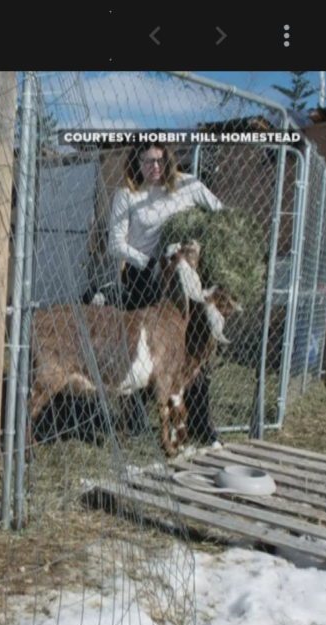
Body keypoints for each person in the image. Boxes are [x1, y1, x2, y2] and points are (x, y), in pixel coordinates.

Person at [98, 141, 224, 445]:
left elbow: (222, 214)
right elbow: (116, 243)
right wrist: (149, 262)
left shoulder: (189, 186)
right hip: (146, 278)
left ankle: (200, 427)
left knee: (189, 355)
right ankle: (131, 426)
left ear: (168, 160)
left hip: (185, 282)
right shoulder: (127, 195)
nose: (153, 167)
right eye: (146, 161)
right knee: (144, 357)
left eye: (158, 160)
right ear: (135, 163)